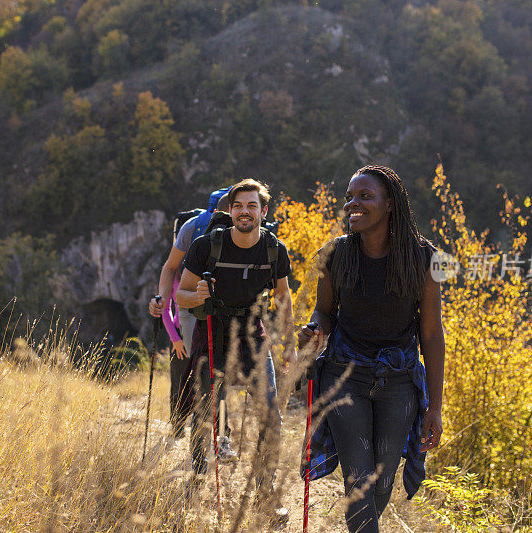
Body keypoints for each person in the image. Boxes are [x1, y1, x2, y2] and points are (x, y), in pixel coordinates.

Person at [298, 165, 445, 533]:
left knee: (382, 483)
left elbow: (431, 334)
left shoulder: (425, 259)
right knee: (359, 483)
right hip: (344, 375)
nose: (353, 204)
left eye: (365, 197)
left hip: (399, 381)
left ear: (391, 203)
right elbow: (325, 311)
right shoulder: (335, 254)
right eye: (350, 197)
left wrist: (435, 408)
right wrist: (316, 329)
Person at [176, 178, 295, 523]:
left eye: (252, 206)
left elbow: (283, 298)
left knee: (271, 414)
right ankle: (198, 480)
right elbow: (180, 295)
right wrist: (197, 295)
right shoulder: (205, 246)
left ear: (263, 211)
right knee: (205, 409)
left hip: (253, 334)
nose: (245, 212)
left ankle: (264, 494)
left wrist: (289, 345)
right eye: (239, 206)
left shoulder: (274, 250)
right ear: (230, 210)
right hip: (211, 328)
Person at [149, 191, 236, 456]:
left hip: (226, 309)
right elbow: (170, 269)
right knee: (202, 369)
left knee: (215, 371)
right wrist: (162, 300)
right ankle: (207, 433)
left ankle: (218, 434)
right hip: (188, 308)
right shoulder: (192, 229)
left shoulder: (248, 230)